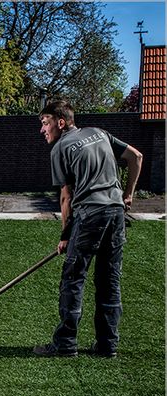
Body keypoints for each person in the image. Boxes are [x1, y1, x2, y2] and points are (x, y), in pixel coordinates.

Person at [33, 100, 143, 358]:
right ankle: (107, 345)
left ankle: (65, 344)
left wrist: (65, 235)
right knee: (109, 279)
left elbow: (66, 197)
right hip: (115, 214)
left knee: (73, 278)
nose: (42, 130)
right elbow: (136, 157)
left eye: (45, 123)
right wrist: (128, 195)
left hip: (89, 214)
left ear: (61, 122)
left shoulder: (60, 148)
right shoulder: (99, 133)